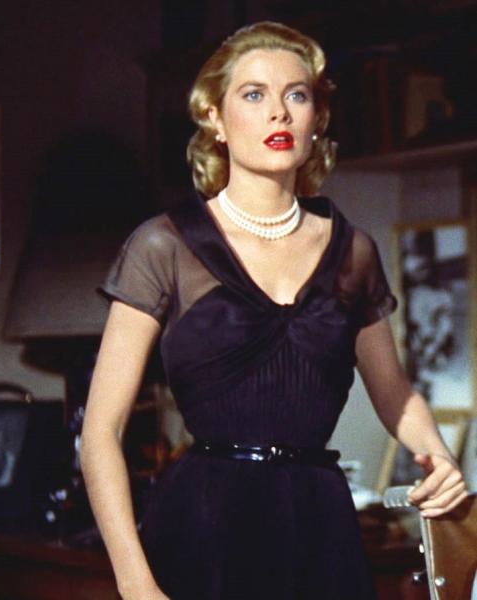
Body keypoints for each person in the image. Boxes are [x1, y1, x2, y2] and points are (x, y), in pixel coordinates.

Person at [80, 21, 468, 600]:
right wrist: (135, 582)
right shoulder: (165, 245)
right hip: (203, 528)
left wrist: (438, 456)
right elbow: (101, 431)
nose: (278, 113)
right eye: (254, 94)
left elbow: (393, 391)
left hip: (320, 529)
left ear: (317, 119)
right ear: (214, 117)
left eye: (297, 95)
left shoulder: (352, 251)